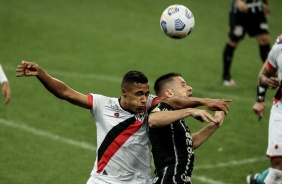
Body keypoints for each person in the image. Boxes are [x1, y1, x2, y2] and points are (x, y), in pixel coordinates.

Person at [16, 61, 231, 184]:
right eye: (138, 94)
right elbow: (65, 92)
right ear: (124, 93)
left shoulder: (149, 105)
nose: (143, 98)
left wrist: (203, 102)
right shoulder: (102, 105)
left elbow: (171, 100)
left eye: (146, 93)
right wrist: (41, 74)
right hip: (104, 181)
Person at [148, 72, 226, 184]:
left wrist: (215, 124)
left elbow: (188, 143)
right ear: (169, 93)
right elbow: (153, 120)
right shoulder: (162, 107)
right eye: (183, 85)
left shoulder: (174, 116)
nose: (189, 88)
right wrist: (189, 111)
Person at [249, 34, 282, 184]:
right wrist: (260, 98)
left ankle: (258, 180)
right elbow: (264, 74)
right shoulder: (279, 46)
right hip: (281, 111)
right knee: (276, 171)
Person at [222, 0, 271, 86]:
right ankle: (226, 77)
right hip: (240, 10)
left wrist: (266, 3)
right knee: (233, 42)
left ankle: (270, 74)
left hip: (256, 8)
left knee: (265, 40)